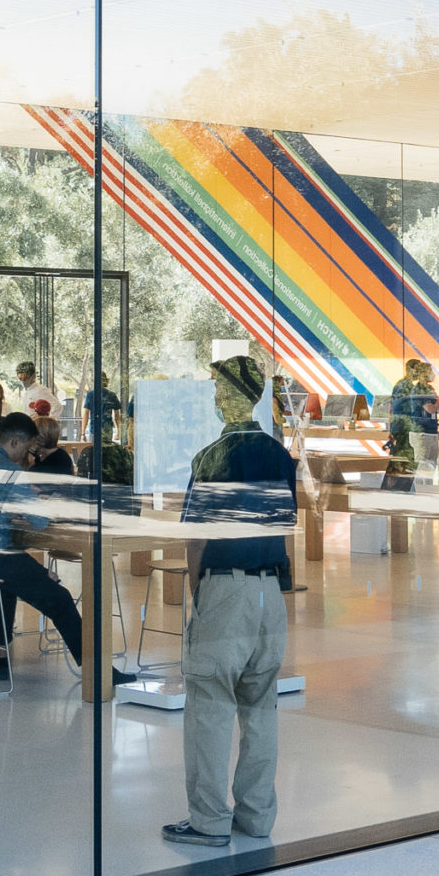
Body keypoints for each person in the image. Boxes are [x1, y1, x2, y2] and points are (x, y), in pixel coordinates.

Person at [164, 356, 296, 849]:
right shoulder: (280, 455)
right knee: (261, 708)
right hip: (270, 592)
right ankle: (258, 817)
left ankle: (209, 820)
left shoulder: (213, 456)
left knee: (210, 706)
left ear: (243, 395)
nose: (216, 397)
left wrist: (201, 596)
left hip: (227, 587)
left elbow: (197, 538)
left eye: (221, 388)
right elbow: (287, 528)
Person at [0, 412, 131, 685]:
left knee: (6, 586)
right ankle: (99, 672)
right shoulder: (8, 471)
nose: (27, 455)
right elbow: (40, 520)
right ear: (15, 442)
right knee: (60, 599)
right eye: (26, 448)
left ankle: (2, 658)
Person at [387, 358, 439, 477]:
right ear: (411, 370)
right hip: (405, 427)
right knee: (406, 461)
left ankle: (398, 485)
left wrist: (390, 427)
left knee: (400, 459)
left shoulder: (399, 384)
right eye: (418, 369)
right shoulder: (410, 387)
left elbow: (390, 408)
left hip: (399, 426)